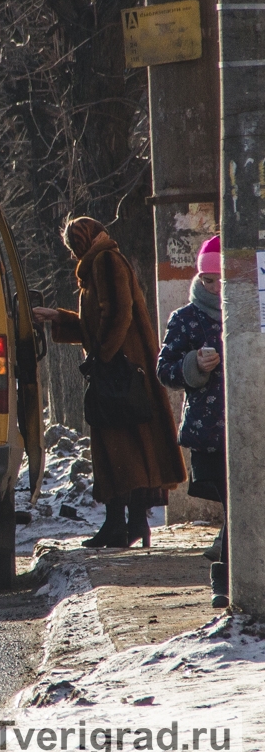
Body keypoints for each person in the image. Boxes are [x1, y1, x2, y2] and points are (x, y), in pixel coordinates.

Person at [31, 217, 186, 548]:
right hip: (121, 369)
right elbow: (97, 322)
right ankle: (130, 525)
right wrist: (59, 318)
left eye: (74, 247)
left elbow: (118, 314)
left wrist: (102, 358)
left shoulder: (104, 261)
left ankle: (121, 525)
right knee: (128, 446)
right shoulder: (98, 266)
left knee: (117, 447)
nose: (73, 254)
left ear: (84, 242)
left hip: (121, 373)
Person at [156, 235, 228, 607]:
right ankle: (227, 577)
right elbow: (164, 369)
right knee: (232, 502)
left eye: (221, 279)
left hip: (249, 431)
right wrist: (194, 366)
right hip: (209, 432)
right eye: (207, 279)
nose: (214, 287)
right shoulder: (185, 319)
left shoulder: (253, 312)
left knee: (241, 505)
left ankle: (226, 580)